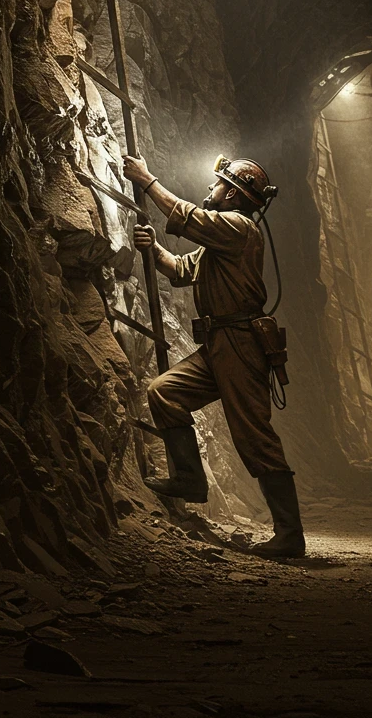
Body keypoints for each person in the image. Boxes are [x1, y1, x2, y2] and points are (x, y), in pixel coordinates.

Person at [121, 152, 305, 559]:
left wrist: (147, 180)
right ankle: (190, 479)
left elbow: (184, 215)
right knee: (164, 392)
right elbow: (182, 270)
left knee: (253, 437)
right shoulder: (221, 240)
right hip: (219, 344)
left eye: (218, 184)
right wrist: (154, 251)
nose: (210, 189)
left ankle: (290, 535)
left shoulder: (237, 228)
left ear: (234, 196)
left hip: (241, 343)